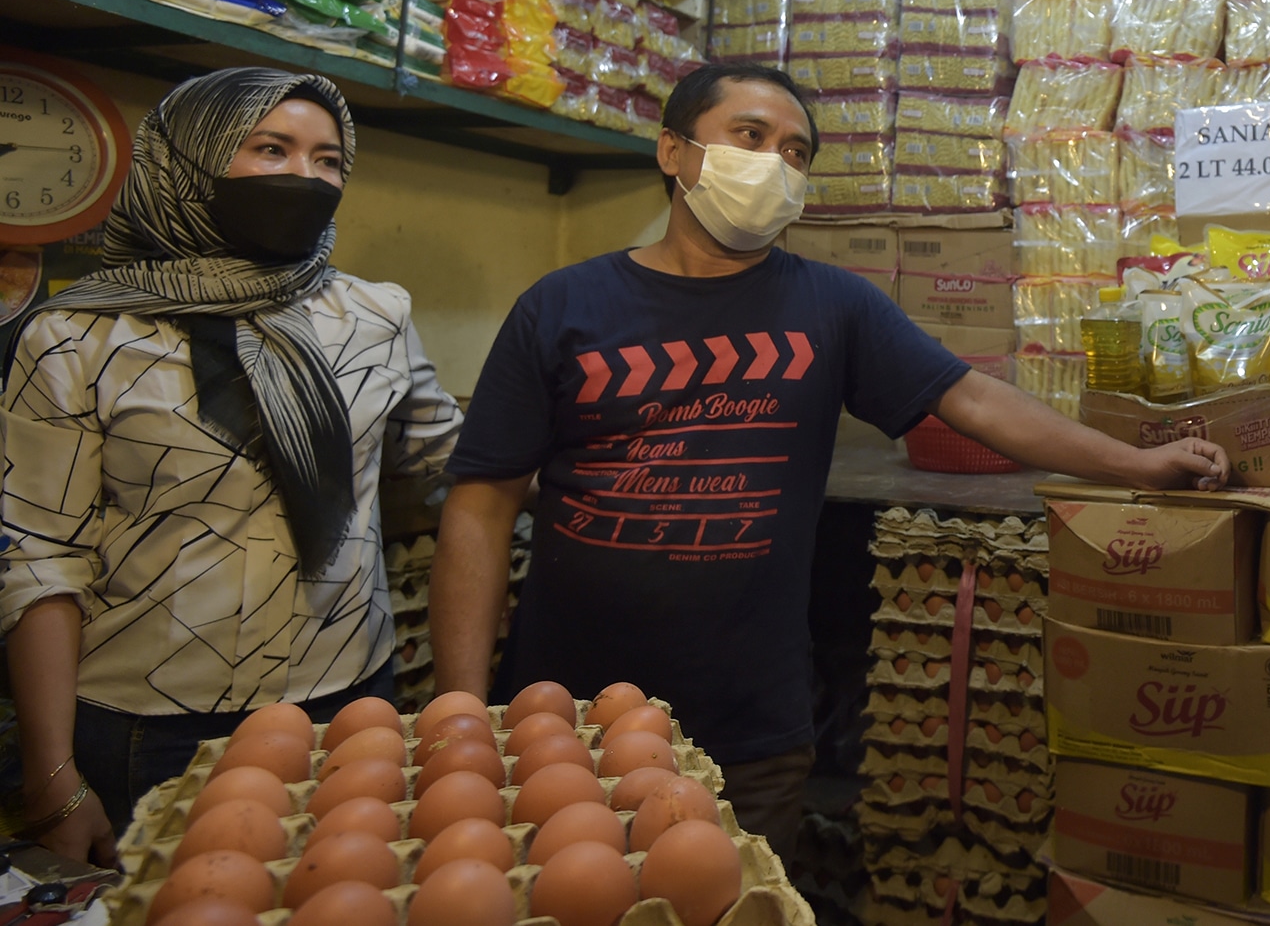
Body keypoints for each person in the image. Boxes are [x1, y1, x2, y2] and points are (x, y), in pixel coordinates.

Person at [431, 63, 1228, 854]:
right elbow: (482, 506)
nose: (776, 163)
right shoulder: (561, 305)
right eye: (751, 136)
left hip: (746, 726)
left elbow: (976, 401)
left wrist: (1135, 463)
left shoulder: (834, 306)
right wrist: (460, 710)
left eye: (797, 152)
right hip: (558, 713)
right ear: (673, 152)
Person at [0, 69, 463, 862]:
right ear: (188, 161)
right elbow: (38, 555)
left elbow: (446, 459)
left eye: (328, 161)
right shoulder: (79, 335)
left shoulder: (372, 315)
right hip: (151, 725)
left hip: (347, 704)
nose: (305, 178)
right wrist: (54, 777)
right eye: (272, 149)